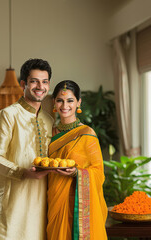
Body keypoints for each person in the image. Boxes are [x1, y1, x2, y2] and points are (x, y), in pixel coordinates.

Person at [0, 58, 54, 240]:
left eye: (45, 81)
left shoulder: (50, 121)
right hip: (14, 205)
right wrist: (22, 172)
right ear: (23, 84)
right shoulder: (8, 115)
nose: (40, 86)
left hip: (44, 206)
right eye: (34, 81)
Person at [47, 80, 108, 240]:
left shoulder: (87, 134)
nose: (64, 105)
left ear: (78, 102)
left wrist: (76, 173)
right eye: (60, 100)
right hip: (52, 198)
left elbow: (98, 172)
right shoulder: (49, 132)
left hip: (76, 202)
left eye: (70, 100)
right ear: (54, 102)